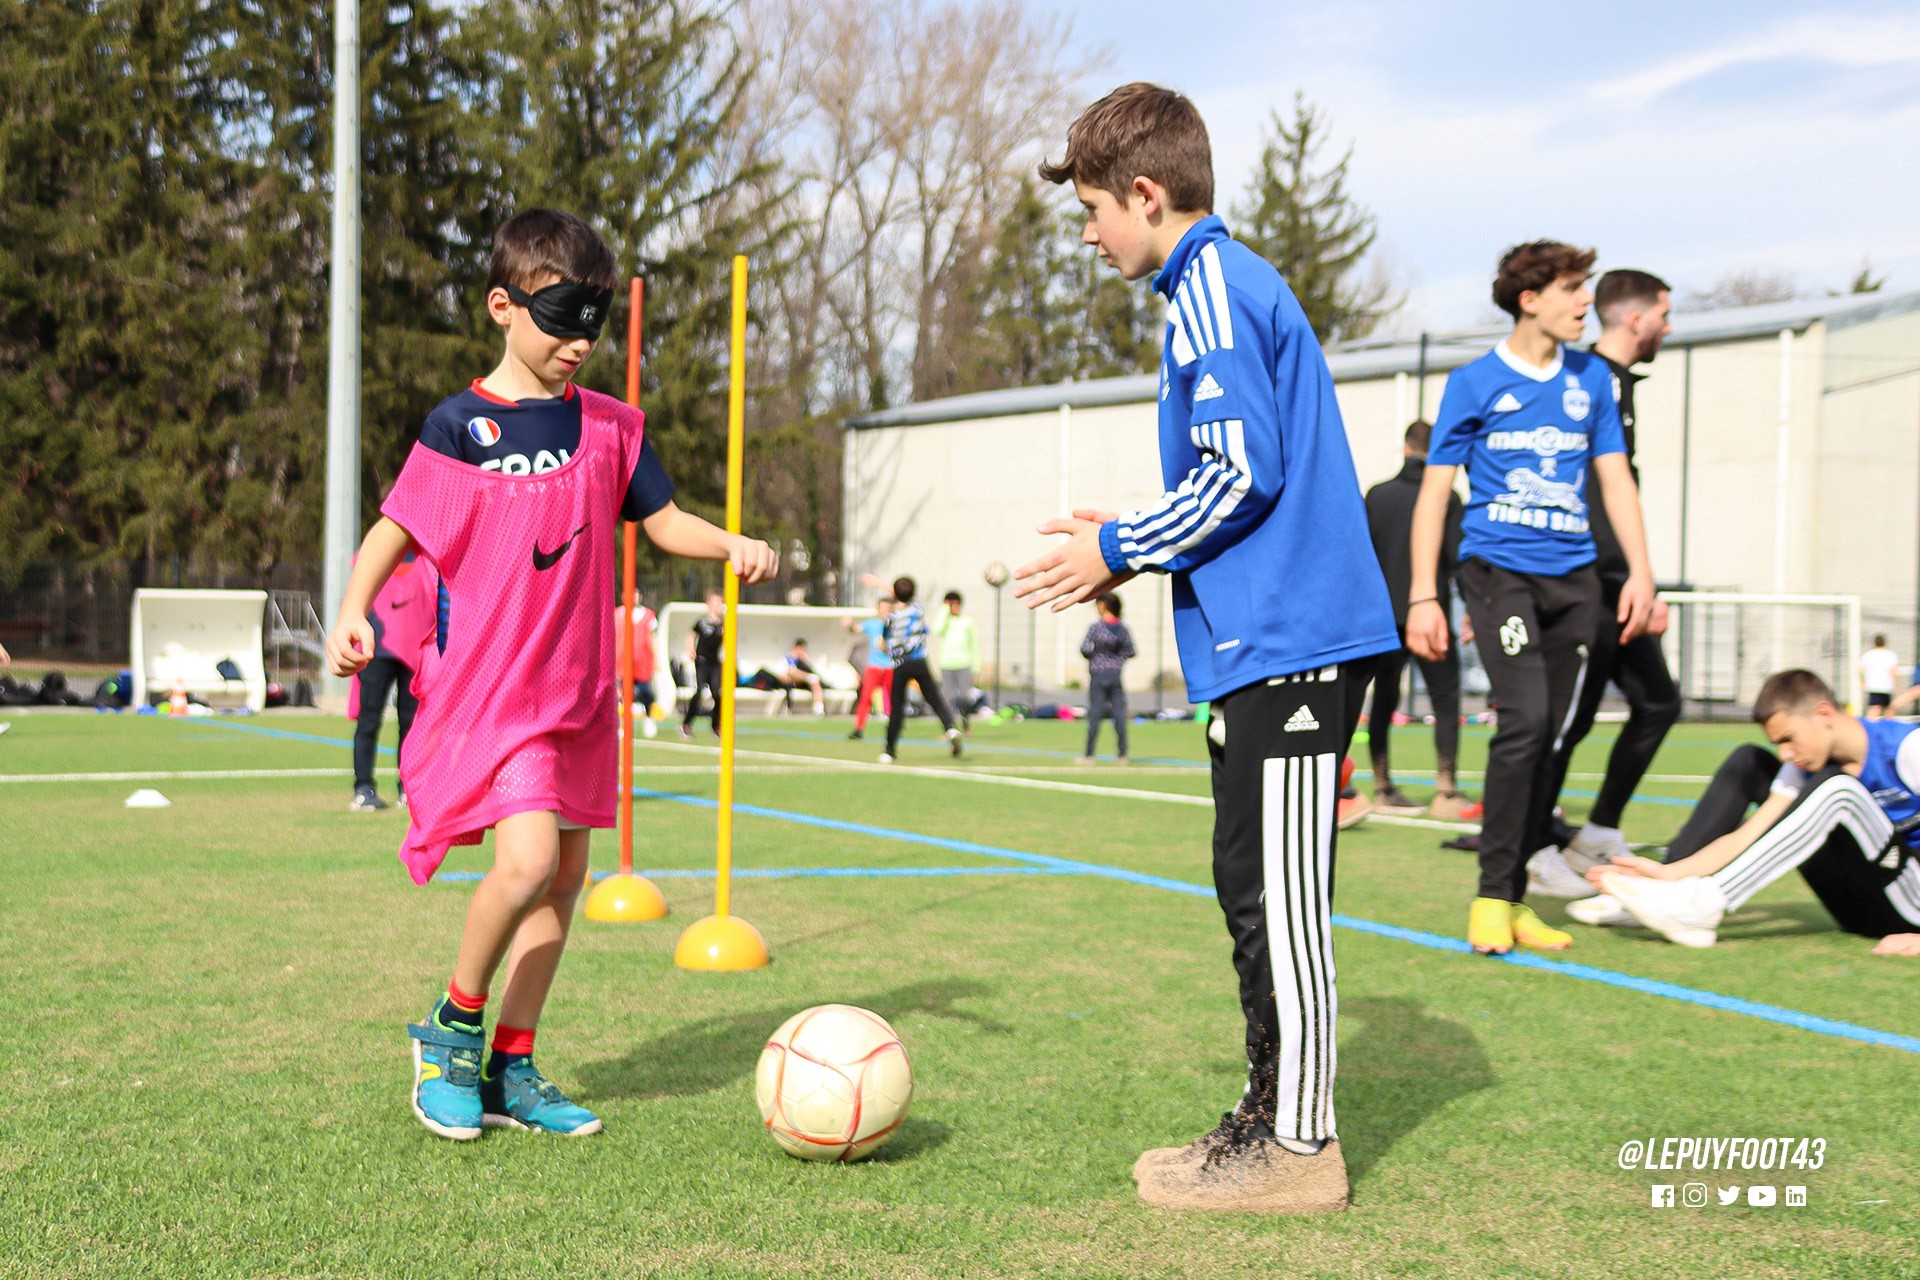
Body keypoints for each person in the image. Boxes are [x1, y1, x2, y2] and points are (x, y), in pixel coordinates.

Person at [1021, 82, 1398, 1214]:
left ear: (1146, 193)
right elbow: (1229, 474)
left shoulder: (1214, 289)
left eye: (1093, 209)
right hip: (1256, 645)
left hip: (1292, 641)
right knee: (1249, 886)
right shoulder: (1209, 290)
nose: (1089, 234)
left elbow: (1244, 474)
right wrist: (1125, 529)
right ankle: (1263, 1119)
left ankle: (1302, 1148)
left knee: (1282, 900)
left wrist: (1121, 546)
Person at [324, 207, 777, 1142]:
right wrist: (353, 608)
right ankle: (450, 1029)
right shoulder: (460, 429)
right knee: (527, 859)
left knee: (566, 872)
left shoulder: (611, 429)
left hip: (576, 695)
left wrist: (729, 543)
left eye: (592, 324)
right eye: (560, 317)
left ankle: (512, 1064)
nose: (578, 343)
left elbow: (663, 520)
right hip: (492, 694)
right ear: (502, 305)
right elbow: (394, 527)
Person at [1406, 240, 1657, 957]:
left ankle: (1515, 898)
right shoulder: (1473, 382)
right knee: (1526, 720)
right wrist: (1424, 593)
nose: (1586, 302)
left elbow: (1615, 481)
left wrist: (1641, 572)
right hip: (1496, 574)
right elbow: (1435, 492)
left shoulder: (1589, 382)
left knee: (1553, 731)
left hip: (1575, 582)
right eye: (1575, 289)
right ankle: (1490, 896)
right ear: (1530, 299)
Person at [1574, 670, 1920, 955]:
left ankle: (1702, 905)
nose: (1785, 754)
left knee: (1838, 788)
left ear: (1824, 714)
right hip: (1858, 907)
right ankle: (1667, 896)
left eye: (1789, 738)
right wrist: (1667, 874)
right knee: (1750, 761)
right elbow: (1748, 834)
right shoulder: (1806, 767)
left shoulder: (1907, 749)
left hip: (1912, 907)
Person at [1529, 269, 1681, 894]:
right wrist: (1618, 576)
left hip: (1620, 581)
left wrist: (1642, 579)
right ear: (1637, 318)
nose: (1669, 327)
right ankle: (1532, 851)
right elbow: (1590, 492)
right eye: (1665, 315)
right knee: (1569, 719)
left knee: (1658, 701)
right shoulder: (1586, 382)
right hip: (1589, 582)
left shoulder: (1618, 386)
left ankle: (1597, 835)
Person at [1363, 419, 1476, 820]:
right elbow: (1457, 560)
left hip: (1382, 618)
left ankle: (1380, 786)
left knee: (1384, 700)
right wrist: (1473, 610)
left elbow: (1362, 559)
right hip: (1430, 615)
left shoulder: (1377, 496)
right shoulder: (1448, 497)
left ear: (1405, 447)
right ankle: (1445, 790)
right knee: (1446, 701)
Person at [349, 549, 432, 810]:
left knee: (411, 725)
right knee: (369, 721)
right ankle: (363, 788)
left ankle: (407, 788)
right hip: (376, 650)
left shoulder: (426, 555)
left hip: (414, 652)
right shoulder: (372, 553)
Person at [880, 576, 963, 763]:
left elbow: (884, 642)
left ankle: (889, 750)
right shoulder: (917, 610)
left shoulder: (891, 618)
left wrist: (888, 647)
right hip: (919, 662)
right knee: (934, 698)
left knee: (897, 707)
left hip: (900, 664)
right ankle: (950, 727)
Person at [1079, 592, 1135, 763]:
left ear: (1103, 605)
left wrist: (1098, 657)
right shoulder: (1122, 629)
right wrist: (1117, 661)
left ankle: (1089, 755)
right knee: (1119, 715)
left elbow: (1085, 649)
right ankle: (1122, 754)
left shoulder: (1096, 628)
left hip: (1098, 675)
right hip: (1115, 676)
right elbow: (1130, 651)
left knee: (1095, 714)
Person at [845, 595, 894, 740]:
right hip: (874, 666)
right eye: (883, 608)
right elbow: (855, 629)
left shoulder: (894, 624)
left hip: (890, 666)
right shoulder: (872, 623)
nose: (885, 611)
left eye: (888, 609)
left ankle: (891, 729)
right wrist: (849, 624)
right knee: (865, 697)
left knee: (892, 699)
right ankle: (858, 728)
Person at [931, 591, 981, 731]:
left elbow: (975, 644)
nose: (954, 607)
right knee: (948, 698)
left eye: (956, 604)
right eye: (950, 604)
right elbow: (936, 629)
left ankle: (966, 723)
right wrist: (944, 611)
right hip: (947, 664)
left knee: (965, 697)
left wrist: (976, 668)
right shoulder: (945, 621)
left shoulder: (967, 621)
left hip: (964, 664)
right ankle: (950, 729)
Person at [615, 585, 658, 739]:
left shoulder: (648, 615)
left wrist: (656, 660)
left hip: (642, 661)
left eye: (636, 594)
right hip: (621, 661)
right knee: (622, 696)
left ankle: (649, 719)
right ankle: (622, 724)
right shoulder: (617, 614)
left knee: (646, 692)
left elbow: (653, 638)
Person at [681, 588, 726, 740]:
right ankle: (687, 724)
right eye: (714, 602)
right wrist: (690, 649)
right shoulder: (702, 622)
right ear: (708, 605)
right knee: (699, 692)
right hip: (702, 661)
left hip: (715, 663)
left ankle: (716, 726)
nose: (717, 605)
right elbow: (691, 635)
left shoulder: (723, 623)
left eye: (719, 602)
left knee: (717, 693)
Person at [773, 638, 825, 715]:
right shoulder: (785, 660)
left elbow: (811, 670)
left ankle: (818, 709)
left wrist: (805, 662)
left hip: (803, 682)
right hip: (790, 682)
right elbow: (783, 676)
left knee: (815, 683)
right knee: (792, 671)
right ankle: (808, 677)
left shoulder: (803, 661)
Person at [1861, 634, 1900, 719]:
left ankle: (1870, 729)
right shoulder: (1890, 655)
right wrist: (1896, 685)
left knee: (1874, 709)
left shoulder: (1868, 655)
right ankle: (1889, 729)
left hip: (1873, 686)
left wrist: (1863, 682)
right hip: (1887, 687)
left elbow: (1860, 670)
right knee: (1889, 710)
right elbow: (1893, 671)